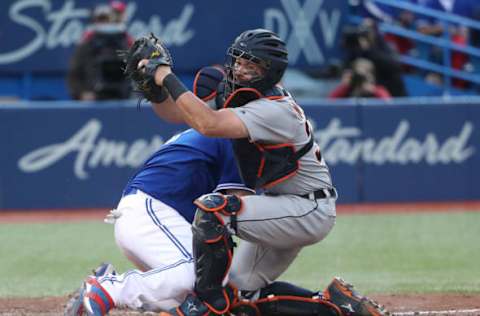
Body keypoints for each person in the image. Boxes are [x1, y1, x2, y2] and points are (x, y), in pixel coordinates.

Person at [137, 29, 387, 315]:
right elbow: (178, 115)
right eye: (239, 61)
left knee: (214, 210)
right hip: (283, 205)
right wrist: (155, 89)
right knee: (241, 298)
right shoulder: (241, 94)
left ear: (270, 73)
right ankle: (339, 306)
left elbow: (208, 124)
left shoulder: (275, 109)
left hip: (308, 208)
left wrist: (167, 76)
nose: (241, 69)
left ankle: (204, 306)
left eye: (252, 65)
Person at [64, 67, 255, 315]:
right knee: (194, 274)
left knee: (209, 293)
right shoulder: (229, 136)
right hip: (151, 212)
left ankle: (112, 280)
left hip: (149, 217)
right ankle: (108, 289)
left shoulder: (209, 129)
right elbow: (243, 208)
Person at [67, 4, 133, 101]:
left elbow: (135, 71)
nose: (103, 23)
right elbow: (74, 73)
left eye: (106, 19)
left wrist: (130, 92)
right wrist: (82, 93)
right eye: (100, 20)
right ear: (94, 21)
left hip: (122, 98)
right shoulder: (86, 45)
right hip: (93, 99)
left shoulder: (124, 42)